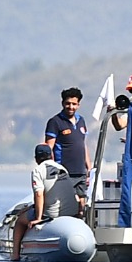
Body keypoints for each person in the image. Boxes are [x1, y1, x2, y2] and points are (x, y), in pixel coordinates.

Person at [11, 144, 79, 261]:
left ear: (36, 159)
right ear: (51, 155)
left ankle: (15, 255)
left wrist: (38, 217)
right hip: (72, 211)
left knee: (19, 221)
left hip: (52, 214)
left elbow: (39, 194)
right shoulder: (62, 168)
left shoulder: (38, 170)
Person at [44, 87, 90, 216]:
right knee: (67, 204)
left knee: (82, 204)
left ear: (78, 105)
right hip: (64, 171)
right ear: (62, 103)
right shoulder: (55, 122)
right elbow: (49, 148)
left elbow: (83, 144)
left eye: (74, 104)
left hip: (80, 171)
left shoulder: (81, 120)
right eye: (68, 103)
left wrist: (89, 167)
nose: (71, 107)